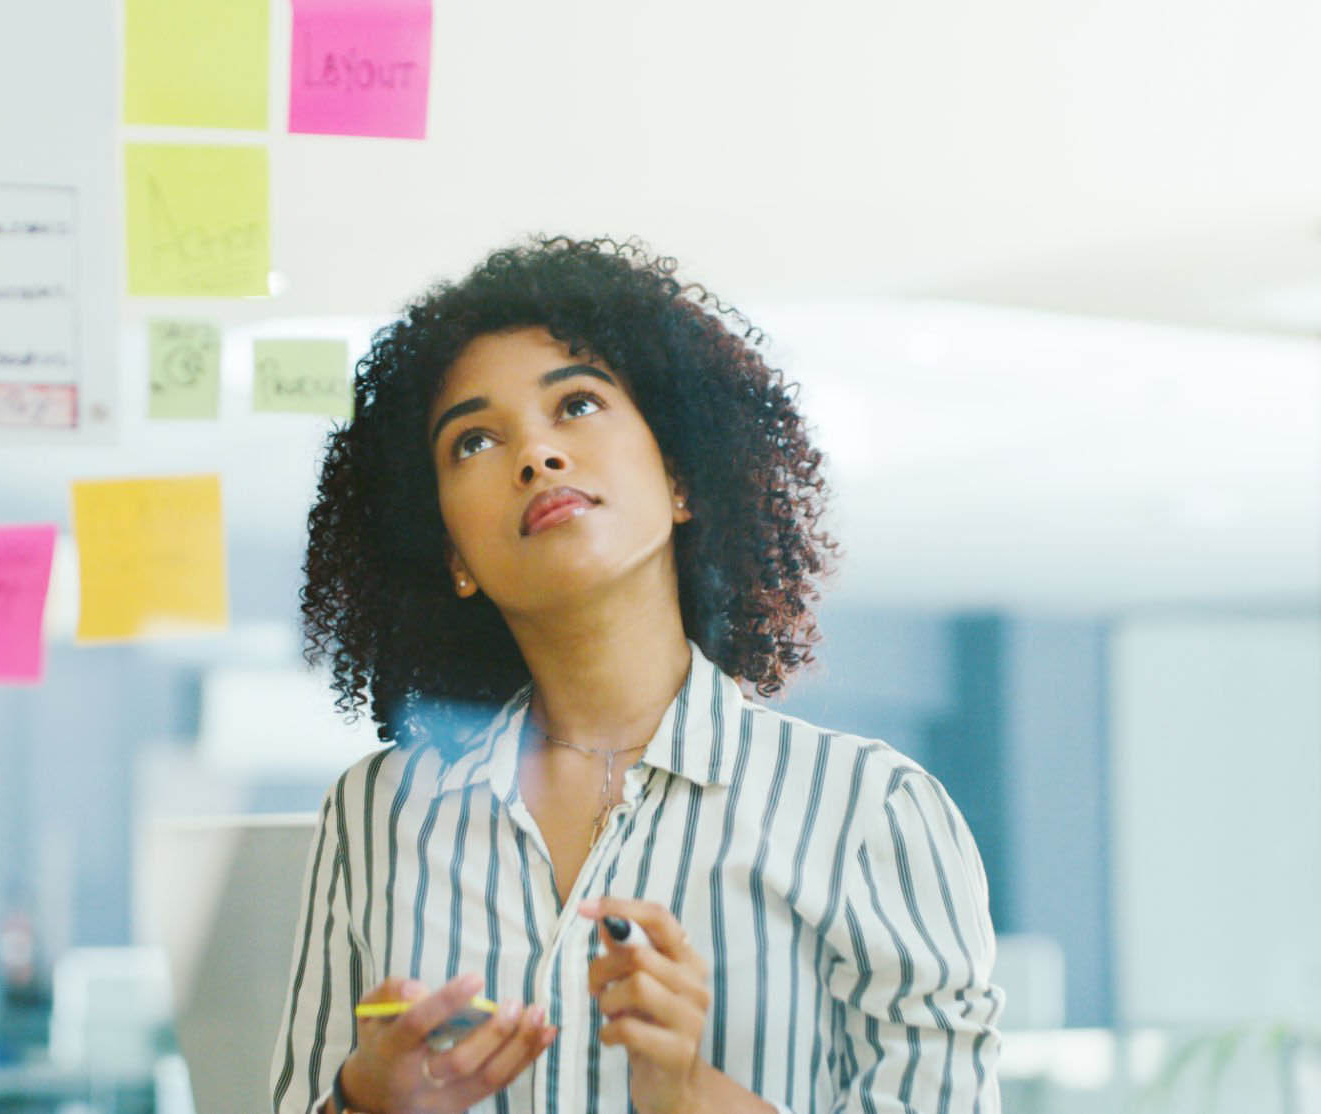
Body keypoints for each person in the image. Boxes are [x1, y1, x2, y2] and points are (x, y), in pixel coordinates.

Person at [272, 237, 1005, 1114]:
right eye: (472, 441)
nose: (535, 457)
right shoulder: (377, 812)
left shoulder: (870, 811)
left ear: (682, 479)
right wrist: (365, 1103)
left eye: (576, 404)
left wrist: (690, 1095)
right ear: (452, 555)